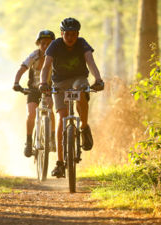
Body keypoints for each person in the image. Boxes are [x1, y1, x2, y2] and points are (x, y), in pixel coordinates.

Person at [39, 18, 104, 178]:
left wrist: (98, 79)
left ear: (78, 34)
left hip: (78, 78)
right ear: (62, 34)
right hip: (59, 82)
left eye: (74, 34)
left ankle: (84, 126)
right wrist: (42, 82)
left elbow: (90, 61)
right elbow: (46, 66)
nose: (70, 38)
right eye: (67, 34)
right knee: (61, 118)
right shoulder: (55, 45)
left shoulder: (82, 44)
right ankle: (60, 163)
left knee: (81, 89)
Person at [13, 30, 56, 157]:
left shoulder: (56, 57)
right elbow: (22, 69)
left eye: (49, 44)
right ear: (38, 44)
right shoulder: (34, 56)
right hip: (33, 89)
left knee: (50, 108)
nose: (45, 46)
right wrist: (16, 82)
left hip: (49, 88)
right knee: (31, 113)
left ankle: (52, 138)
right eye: (42, 43)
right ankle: (29, 141)